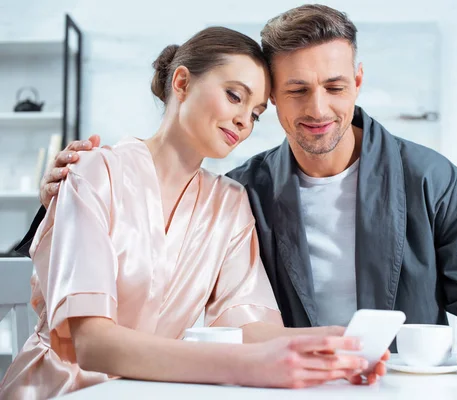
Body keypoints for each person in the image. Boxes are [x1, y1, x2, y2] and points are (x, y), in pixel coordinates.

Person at [16, 4, 457, 378]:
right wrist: (58, 200)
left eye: (335, 87)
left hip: (387, 384)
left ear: (357, 81)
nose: (318, 109)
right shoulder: (248, 189)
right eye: (295, 91)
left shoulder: (427, 177)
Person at [0, 26, 387, 400]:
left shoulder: (230, 201)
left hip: (147, 390)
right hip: (60, 390)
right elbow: (92, 345)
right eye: (235, 96)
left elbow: (247, 328)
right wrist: (245, 365)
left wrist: (338, 343)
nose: (244, 121)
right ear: (182, 83)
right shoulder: (94, 172)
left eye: (255, 113)